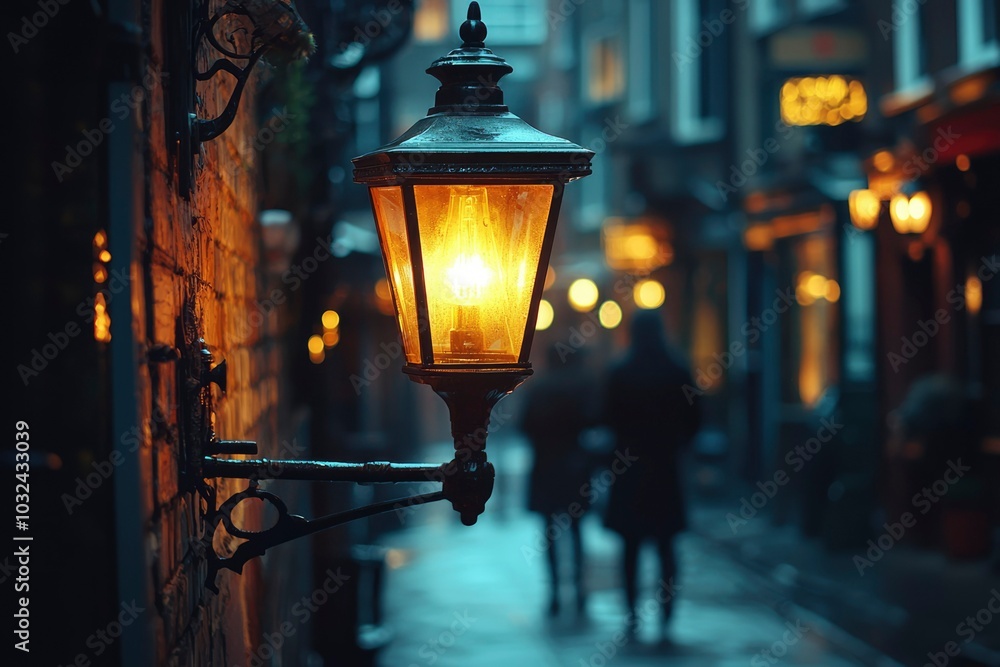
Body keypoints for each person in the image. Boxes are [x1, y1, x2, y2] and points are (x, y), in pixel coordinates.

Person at [602, 310, 700, 635]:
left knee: (630, 547)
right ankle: (667, 611)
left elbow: (606, 418)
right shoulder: (676, 371)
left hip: (629, 470)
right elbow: (695, 419)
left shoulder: (621, 372)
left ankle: (632, 612)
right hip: (665, 469)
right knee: (666, 545)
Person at [519, 344, 596, 616]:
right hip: (574, 468)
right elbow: (593, 422)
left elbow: (525, 426)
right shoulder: (581, 387)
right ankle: (579, 589)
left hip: (545, 468)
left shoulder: (538, 389)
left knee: (549, 532)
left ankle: (554, 591)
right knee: (576, 531)